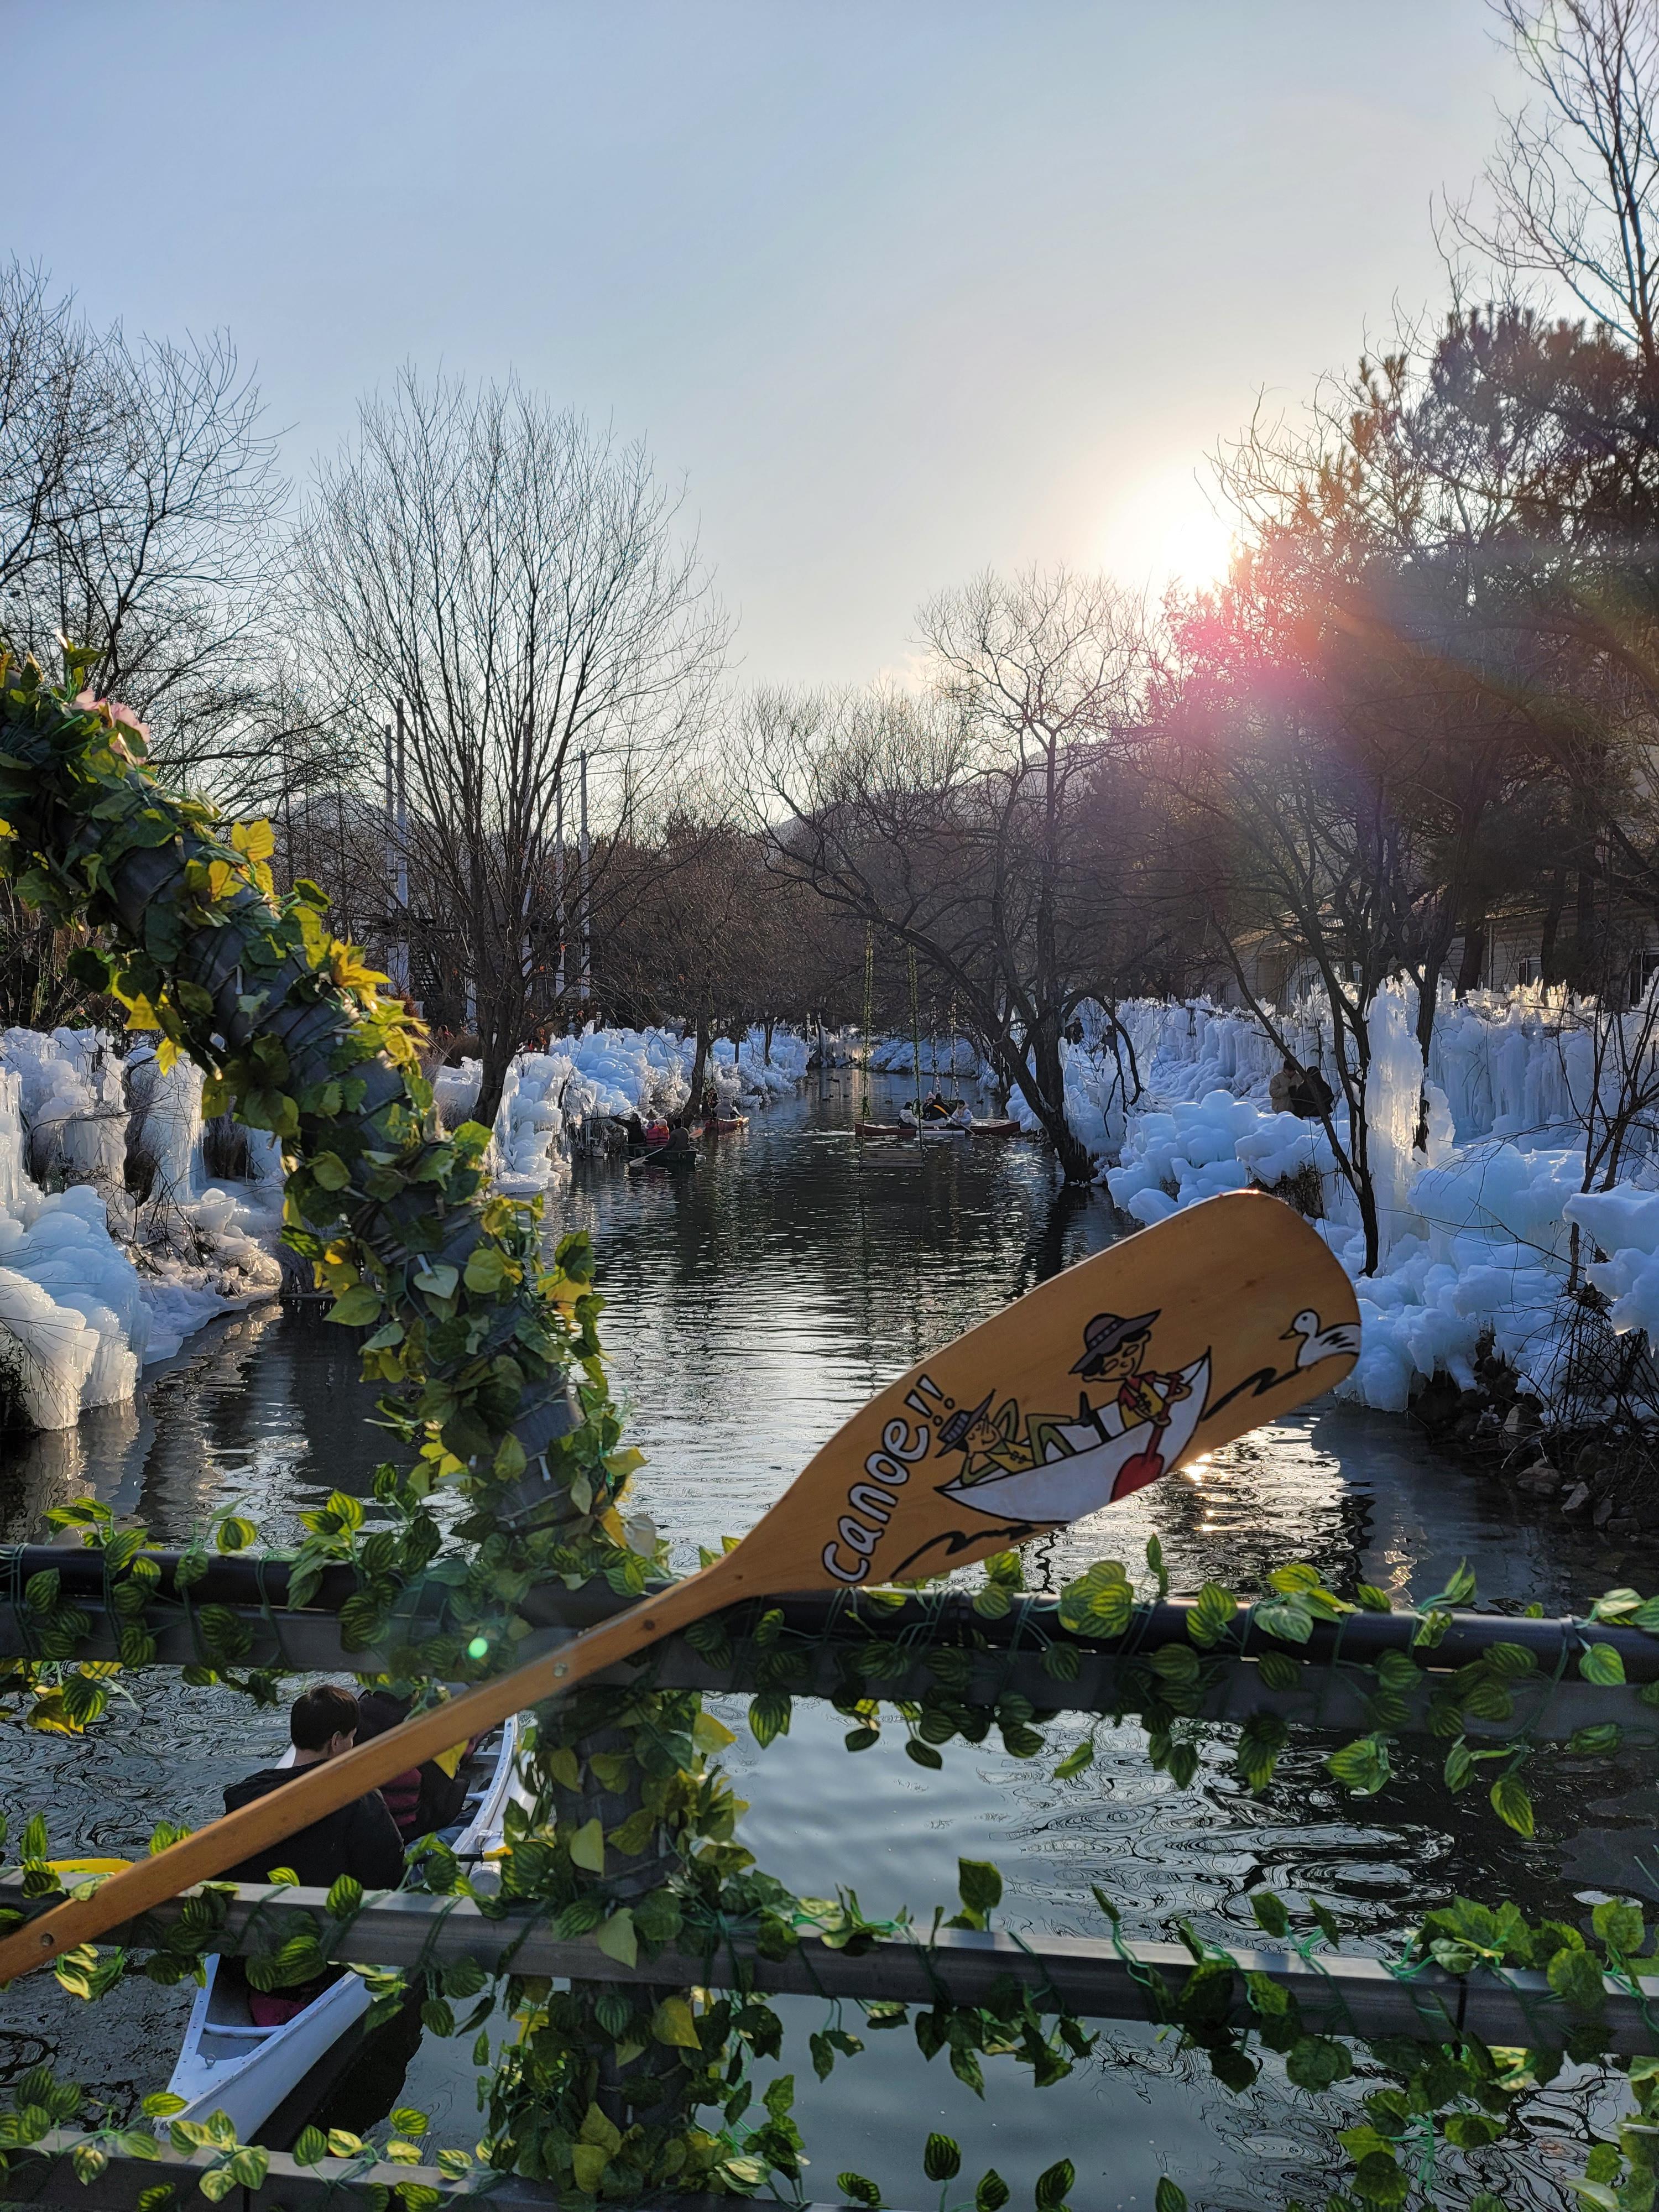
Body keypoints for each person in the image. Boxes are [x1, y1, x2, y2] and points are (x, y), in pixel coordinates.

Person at [221, 1684, 405, 2026]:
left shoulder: (243, 1797)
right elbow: (389, 1875)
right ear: (336, 1741)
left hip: (250, 1961)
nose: (351, 1746)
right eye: (351, 1738)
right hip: (319, 1960)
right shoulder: (361, 1801)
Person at [354, 1689, 471, 1844]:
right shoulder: (416, 1730)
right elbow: (438, 1786)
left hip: (365, 1818)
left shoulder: (355, 1717)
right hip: (406, 1826)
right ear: (414, 1694)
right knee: (460, 1784)